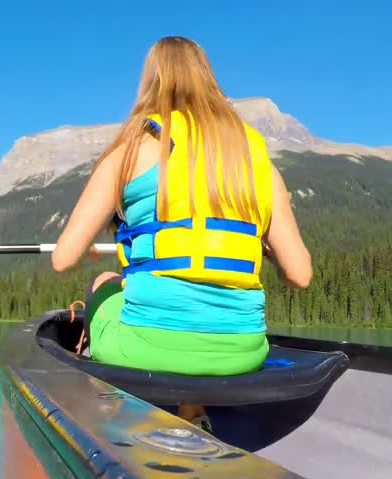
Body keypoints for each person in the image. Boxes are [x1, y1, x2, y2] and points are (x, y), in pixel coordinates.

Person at [52, 36, 313, 395]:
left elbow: (63, 259)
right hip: (243, 355)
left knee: (105, 281)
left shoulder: (133, 148)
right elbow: (300, 275)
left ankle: (101, 388)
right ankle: (194, 407)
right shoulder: (259, 163)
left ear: (152, 82)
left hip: (147, 350)